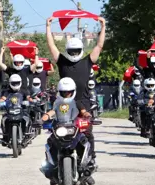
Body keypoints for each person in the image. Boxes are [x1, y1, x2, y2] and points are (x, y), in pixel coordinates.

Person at [46, 16, 106, 161]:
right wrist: (48, 27)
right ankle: (55, 164)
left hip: (84, 105)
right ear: (67, 50)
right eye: (71, 51)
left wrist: (103, 26)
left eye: (76, 50)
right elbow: (52, 46)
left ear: (81, 50)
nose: (73, 53)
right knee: (56, 135)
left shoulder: (87, 61)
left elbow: (99, 46)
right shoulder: (62, 62)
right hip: (64, 105)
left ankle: (90, 160)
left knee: (87, 134)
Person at [39, 77, 95, 185]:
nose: (66, 94)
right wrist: (42, 119)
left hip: (74, 128)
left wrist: (88, 116)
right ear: (60, 92)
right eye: (64, 92)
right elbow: (51, 112)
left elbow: (84, 112)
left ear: (73, 91)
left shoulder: (77, 102)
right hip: (60, 128)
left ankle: (87, 164)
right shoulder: (57, 103)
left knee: (84, 141)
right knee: (50, 143)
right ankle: (51, 166)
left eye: (69, 92)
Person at [0, 74, 32, 145]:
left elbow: (29, 98)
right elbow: (3, 98)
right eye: (14, 83)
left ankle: (27, 134)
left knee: (28, 118)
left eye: (17, 83)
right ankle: (5, 136)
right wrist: (0, 102)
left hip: (21, 110)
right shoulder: (7, 92)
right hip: (10, 110)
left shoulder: (24, 90)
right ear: (10, 83)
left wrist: (31, 101)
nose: (15, 84)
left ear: (20, 82)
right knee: (4, 119)